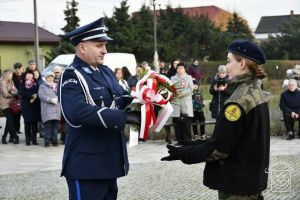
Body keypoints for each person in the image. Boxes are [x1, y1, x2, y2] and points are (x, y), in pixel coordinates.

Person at [162, 40, 270, 200]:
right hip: (251, 178)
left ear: (243, 64)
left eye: (229, 61)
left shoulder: (238, 100)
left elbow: (219, 149)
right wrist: (192, 144)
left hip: (236, 184)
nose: (226, 66)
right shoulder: (255, 89)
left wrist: (185, 154)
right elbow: (235, 138)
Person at [59, 18, 140, 200]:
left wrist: (145, 103)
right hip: (87, 166)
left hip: (109, 162)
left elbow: (121, 98)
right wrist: (123, 117)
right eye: (99, 45)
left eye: (104, 45)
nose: (105, 50)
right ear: (82, 47)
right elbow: (76, 111)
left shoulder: (105, 71)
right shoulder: (72, 75)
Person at [170, 62, 194, 146]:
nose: (180, 69)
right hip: (176, 101)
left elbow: (191, 89)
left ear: (184, 69)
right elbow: (171, 88)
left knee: (186, 122)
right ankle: (179, 139)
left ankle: (187, 140)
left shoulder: (188, 77)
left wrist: (182, 93)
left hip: (185, 101)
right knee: (177, 122)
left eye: (181, 68)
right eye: (178, 68)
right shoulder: (173, 78)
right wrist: (175, 93)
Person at [38, 71, 61, 147]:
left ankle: (55, 141)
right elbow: (41, 95)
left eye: (52, 77)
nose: (50, 78)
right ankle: (47, 141)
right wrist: (50, 100)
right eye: (49, 77)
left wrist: (58, 98)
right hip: (47, 109)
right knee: (47, 127)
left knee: (55, 127)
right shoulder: (42, 86)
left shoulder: (57, 86)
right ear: (46, 78)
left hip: (56, 109)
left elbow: (60, 94)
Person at [19, 71, 41, 145]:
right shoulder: (22, 83)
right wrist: (31, 96)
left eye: (31, 74)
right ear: (25, 75)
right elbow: (21, 92)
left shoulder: (36, 82)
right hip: (26, 105)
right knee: (27, 123)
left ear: (32, 75)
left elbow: (39, 92)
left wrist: (35, 96)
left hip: (35, 105)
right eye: (27, 74)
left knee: (34, 123)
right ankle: (27, 140)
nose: (29, 76)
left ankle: (34, 140)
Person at [0, 70, 19, 144]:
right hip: (4, 103)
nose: (12, 76)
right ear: (7, 75)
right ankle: (15, 136)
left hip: (11, 103)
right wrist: (13, 93)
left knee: (9, 121)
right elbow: (5, 94)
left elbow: (16, 91)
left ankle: (4, 137)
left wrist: (12, 92)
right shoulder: (2, 81)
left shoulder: (11, 81)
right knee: (10, 120)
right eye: (10, 74)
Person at [12, 62, 24, 135]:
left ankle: (18, 129)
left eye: (19, 69)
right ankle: (14, 129)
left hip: (23, 97)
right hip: (15, 98)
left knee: (19, 115)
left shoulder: (24, 75)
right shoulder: (12, 76)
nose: (18, 70)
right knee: (15, 114)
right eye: (16, 69)